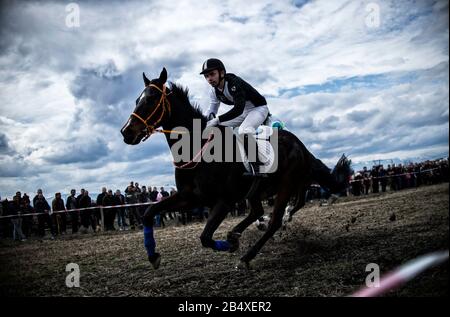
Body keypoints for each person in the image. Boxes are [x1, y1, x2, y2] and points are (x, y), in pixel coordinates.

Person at [200, 58, 269, 176]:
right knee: (217, 127)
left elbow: (238, 109)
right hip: (243, 111)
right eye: (206, 76)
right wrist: (203, 123)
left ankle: (257, 166)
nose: (209, 79)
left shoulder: (233, 83)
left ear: (221, 73)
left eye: (212, 74)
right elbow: (211, 111)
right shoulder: (214, 91)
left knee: (244, 131)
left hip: (258, 108)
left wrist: (217, 119)